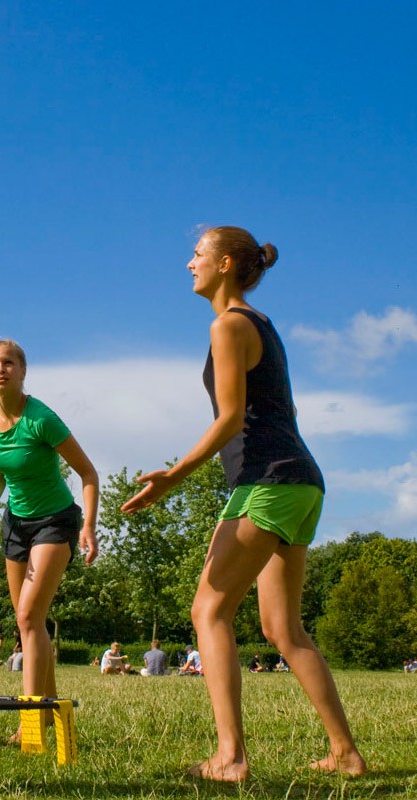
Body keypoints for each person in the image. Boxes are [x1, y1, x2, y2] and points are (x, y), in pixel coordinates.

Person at [122, 225, 366, 781]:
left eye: (197, 254)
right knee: (284, 629)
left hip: (268, 481)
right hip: (301, 481)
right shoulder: (262, 324)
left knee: (208, 611)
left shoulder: (228, 325)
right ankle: (345, 754)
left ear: (226, 263)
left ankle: (230, 758)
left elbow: (230, 418)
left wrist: (172, 477)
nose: (189, 264)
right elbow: (285, 413)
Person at [0, 339, 99, 740]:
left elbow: (88, 473)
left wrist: (89, 526)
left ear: (22, 371)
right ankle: (51, 714)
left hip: (55, 521)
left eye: (8, 362)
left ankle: (29, 723)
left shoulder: (42, 418)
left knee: (29, 618)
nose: (0, 369)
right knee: (29, 623)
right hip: (15, 524)